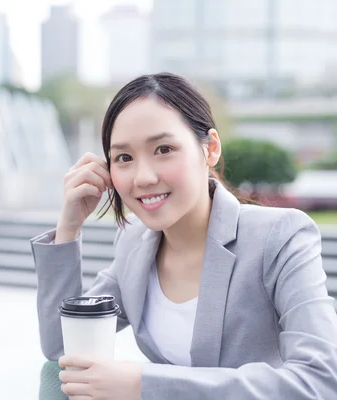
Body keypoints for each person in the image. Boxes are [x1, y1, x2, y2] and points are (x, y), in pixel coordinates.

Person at [30, 72, 337, 399]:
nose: (143, 177)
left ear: (210, 149)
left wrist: (144, 383)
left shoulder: (279, 236)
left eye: (164, 149)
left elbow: (319, 379)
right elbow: (63, 347)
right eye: (124, 158)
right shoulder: (134, 241)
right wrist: (69, 228)